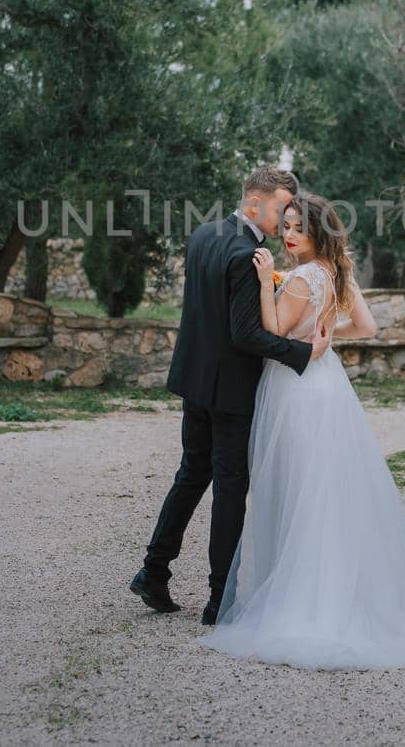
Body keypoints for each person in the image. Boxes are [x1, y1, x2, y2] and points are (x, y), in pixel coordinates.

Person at [199, 192, 405, 669]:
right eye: (288, 225)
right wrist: (328, 336)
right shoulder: (338, 273)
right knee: (324, 489)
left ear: (319, 232)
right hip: (328, 384)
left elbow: (274, 329)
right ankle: (336, 591)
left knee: (297, 489)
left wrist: (264, 282)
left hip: (296, 388)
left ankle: (304, 600)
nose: (290, 233)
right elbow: (369, 326)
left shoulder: (299, 278)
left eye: (299, 226)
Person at [131, 166, 331, 626]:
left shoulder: (204, 234)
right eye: (282, 209)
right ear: (255, 202)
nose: (285, 219)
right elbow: (245, 334)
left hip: (193, 379)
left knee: (190, 474)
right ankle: (220, 599)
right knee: (229, 489)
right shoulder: (247, 253)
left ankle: (153, 570)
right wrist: (304, 351)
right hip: (230, 391)